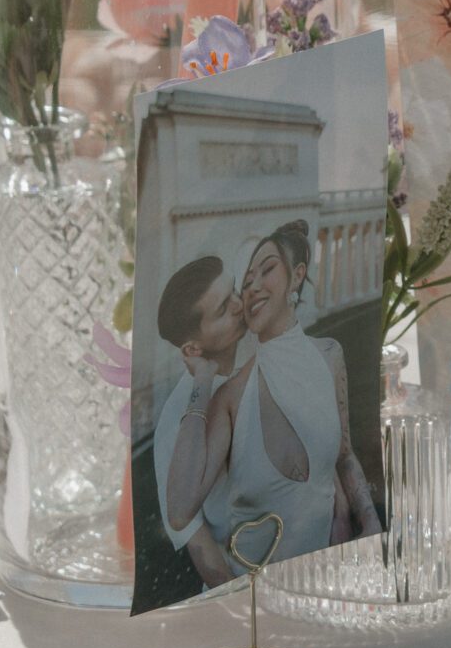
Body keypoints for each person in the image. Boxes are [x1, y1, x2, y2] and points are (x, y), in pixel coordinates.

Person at [167, 221, 382, 580]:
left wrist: (370, 524)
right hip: (253, 604)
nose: (252, 287)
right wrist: (201, 382)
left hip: (323, 588)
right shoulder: (230, 396)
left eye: (266, 270)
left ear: (297, 277)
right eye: (246, 281)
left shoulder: (330, 357)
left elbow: (344, 456)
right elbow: (179, 510)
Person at [153, 251, 255, 590]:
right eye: (223, 308)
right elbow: (195, 540)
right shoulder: (176, 419)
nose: (240, 305)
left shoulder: (259, 353)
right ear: (193, 349)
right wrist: (243, 602)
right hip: (245, 588)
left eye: (234, 292)